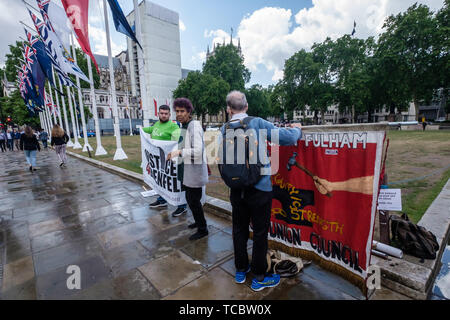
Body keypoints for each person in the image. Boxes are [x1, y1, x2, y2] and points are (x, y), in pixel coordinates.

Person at [220, 90, 302, 292]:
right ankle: (259, 276)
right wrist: (298, 129)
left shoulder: (224, 128)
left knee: (238, 230)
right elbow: (286, 137)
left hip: (236, 189)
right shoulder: (256, 123)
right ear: (246, 106)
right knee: (259, 232)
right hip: (259, 188)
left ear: (228, 109)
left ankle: (240, 270)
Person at [167, 98, 209, 241]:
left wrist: (179, 153)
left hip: (194, 173)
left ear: (189, 111)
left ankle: (203, 229)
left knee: (193, 201)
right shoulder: (183, 125)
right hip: (186, 171)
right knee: (191, 200)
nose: (179, 114)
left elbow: (197, 151)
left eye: (182, 111)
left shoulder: (194, 126)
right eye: (177, 111)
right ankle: (199, 222)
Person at [143, 105, 188, 217]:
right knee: (161, 180)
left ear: (169, 114)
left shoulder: (173, 126)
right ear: (158, 114)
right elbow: (150, 130)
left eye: (166, 113)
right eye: (161, 113)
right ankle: (162, 199)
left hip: (170, 160)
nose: (163, 115)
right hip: (158, 161)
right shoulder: (156, 124)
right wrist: (141, 130)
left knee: (174, 182)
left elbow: (180, 138)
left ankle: (182, 206)